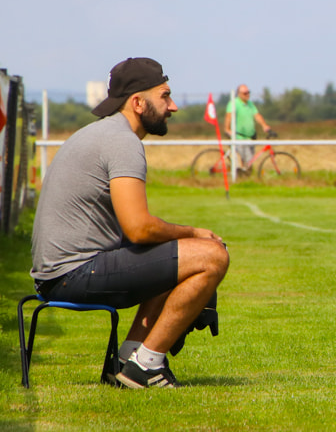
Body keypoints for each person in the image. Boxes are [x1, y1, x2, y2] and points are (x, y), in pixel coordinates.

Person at [30, 57, 230, 388]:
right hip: (72, 274)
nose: (174, 106)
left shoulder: (105, 134)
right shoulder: (122, 142)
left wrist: (182, 244)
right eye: (165, 96)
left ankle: (129, 360)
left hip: (59, 273)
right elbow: (139, 229)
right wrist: (195, 234)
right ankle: (147, 365)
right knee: (212, 256)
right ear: (138, 103)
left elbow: (139, 233)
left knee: (181, 253)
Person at [224, 84, 274, 170]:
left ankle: (243, 176)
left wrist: (264, 125)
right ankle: (244, 176)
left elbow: (257, 115)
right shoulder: (234, 103)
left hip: (250, 138)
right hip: (240, 137)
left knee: (248, 163)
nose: (247, 94)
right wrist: (227, 129)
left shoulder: (250, 104)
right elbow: (229, 116)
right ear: (239, 94)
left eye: (248, 92)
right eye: (245, 93)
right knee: (249, 161)